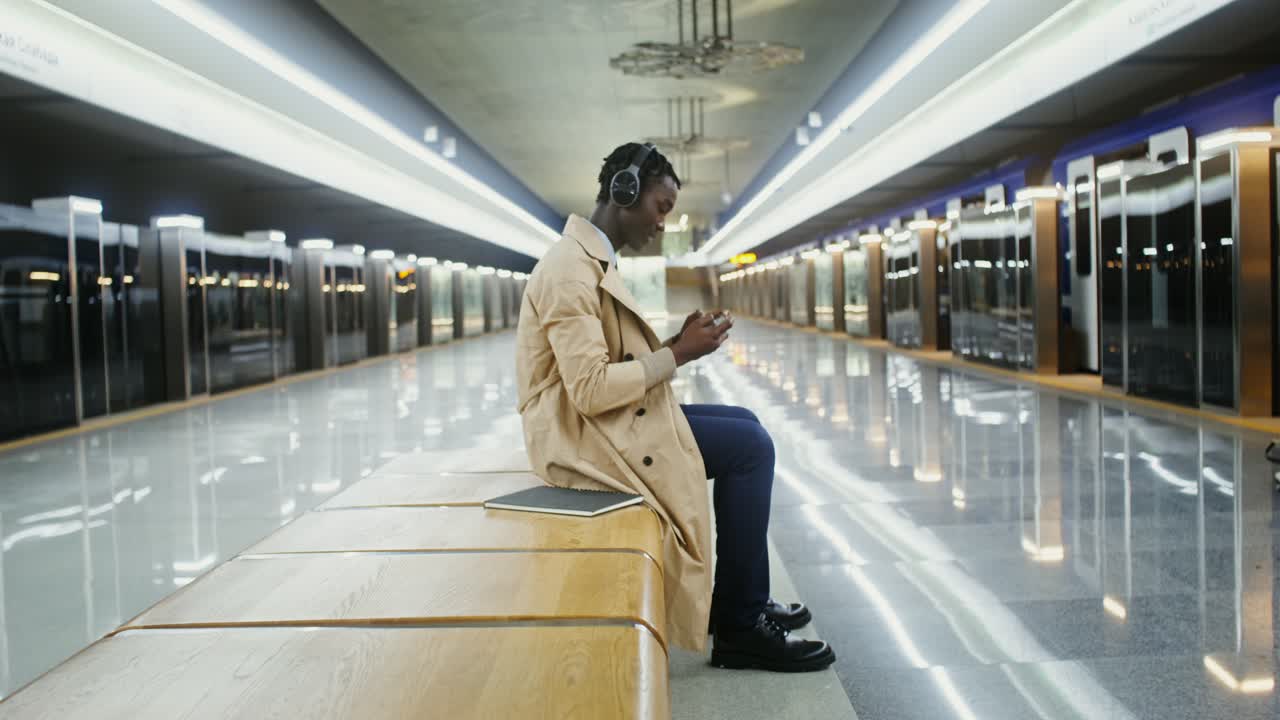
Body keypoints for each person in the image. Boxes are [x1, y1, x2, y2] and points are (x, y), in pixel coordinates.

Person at [515, 142, 835, 672]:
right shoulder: (570, 270)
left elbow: (603, 363)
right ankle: (738, 625)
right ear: (626, 193)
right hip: (577, 441)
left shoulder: (589, 259)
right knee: (751, 448)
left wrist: (673, 345)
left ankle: (735, 597)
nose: (663, 223)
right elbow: (590, 389)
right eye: (661, 207)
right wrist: (678, 355)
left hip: (596, 428)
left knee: (745, 423)